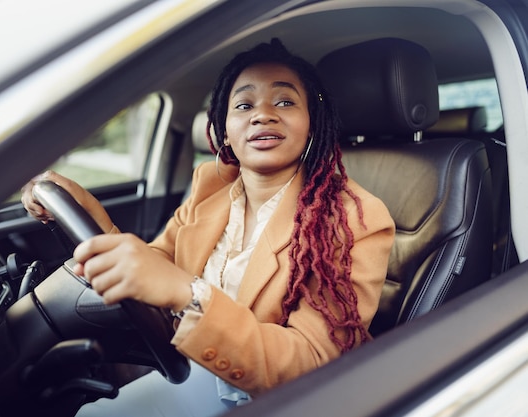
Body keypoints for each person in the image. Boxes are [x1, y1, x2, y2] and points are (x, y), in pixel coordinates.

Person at [21, 38, 395, 416]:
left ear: (312, 122)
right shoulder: (210, 188)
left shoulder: (351, 218)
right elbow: (151, 266)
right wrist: (88, 210)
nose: (263, 114)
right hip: (191, 366)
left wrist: (189, 295)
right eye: (244, 105)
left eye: (285, 101)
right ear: (224, 130)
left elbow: (314, 359)